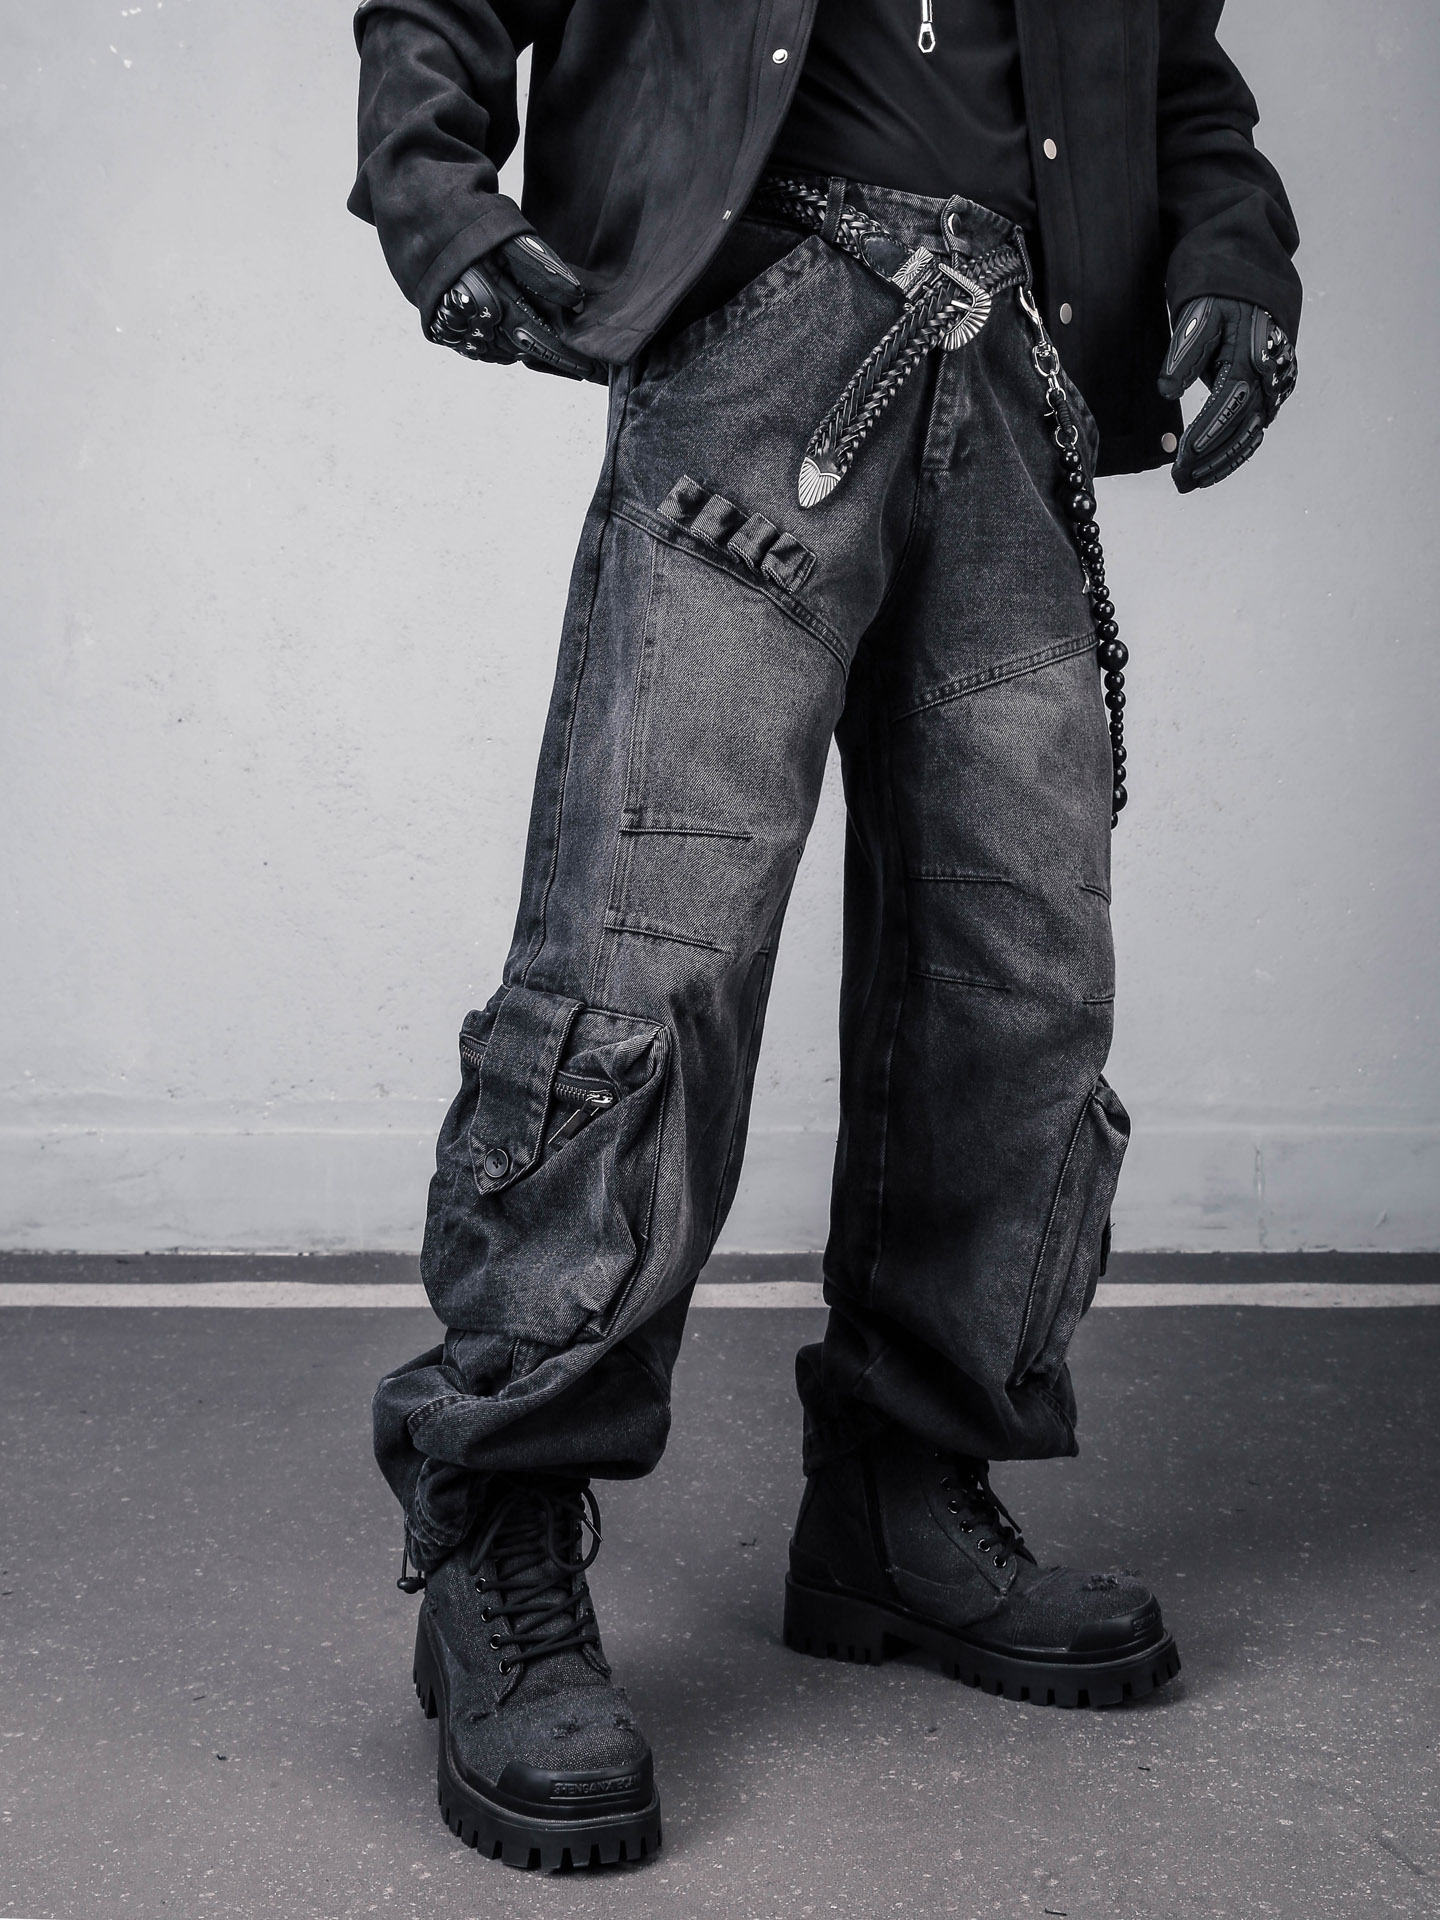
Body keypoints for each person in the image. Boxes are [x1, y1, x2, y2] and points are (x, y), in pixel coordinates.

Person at [347, 0, 1299, 1871]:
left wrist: (1234, 256)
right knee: (652, 950)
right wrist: (435, 194)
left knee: (1020, 980)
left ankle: (904, 1496)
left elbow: (1180, 75)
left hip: (1015, 362)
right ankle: (498, 1528)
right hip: (754, 332)